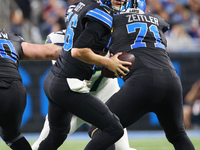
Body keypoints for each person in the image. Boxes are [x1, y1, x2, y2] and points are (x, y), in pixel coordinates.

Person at [89, 0, 195, 149]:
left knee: (99, 128)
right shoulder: (157, 20)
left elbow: (99, 53)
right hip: (172, 78)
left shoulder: (112, 20)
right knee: (178, 135)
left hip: (142, 80)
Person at [36, 0, 132, 149]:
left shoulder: (79, 6)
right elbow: (79, 51)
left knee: (55, 137)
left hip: (55, 81)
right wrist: (109, 62)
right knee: (114, 129)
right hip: (71, 87)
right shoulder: (103, 15)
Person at [0, 30, 62, 150]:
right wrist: (80, 52)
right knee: (13, 137)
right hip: (15, 90)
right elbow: (51, 51)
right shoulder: (10, 38)